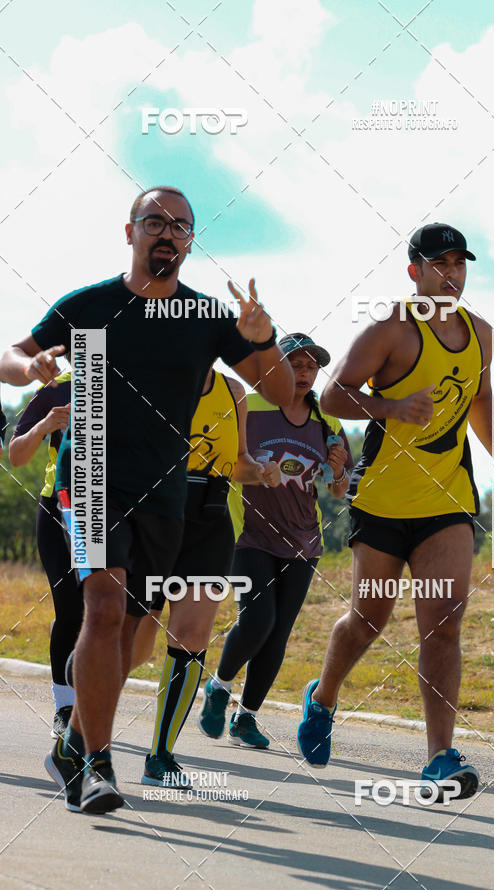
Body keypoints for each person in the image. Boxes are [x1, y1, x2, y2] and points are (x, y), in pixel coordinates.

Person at [0, 185, 294, 814]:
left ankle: (74, 744)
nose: (168, 233)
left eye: (181, 226)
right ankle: (98, 766)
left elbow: (279, 389)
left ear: (191, 241)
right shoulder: (89, 305)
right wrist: (31, 370)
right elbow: (14, 356)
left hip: (165, 493)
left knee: (133, 632)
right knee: (102, 607)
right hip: (93, 474)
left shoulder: (209, 317)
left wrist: (263, 339)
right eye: (155, 221)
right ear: (128, 231)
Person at [297, 223, 493, 800]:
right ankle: (324, 695)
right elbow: (332, 395)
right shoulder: (389, 328)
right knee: (369, 619)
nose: (451, 274)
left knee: (442, 620)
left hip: (448, 499)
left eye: (459, 264)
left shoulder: (481, 333)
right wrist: (391, 405)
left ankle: (439, 757)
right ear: (415, 272)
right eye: (440, 264)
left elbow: (478, 399)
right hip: (381, 500)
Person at [199, 333, 352, 749]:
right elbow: (222, 460)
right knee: (257, 619)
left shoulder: (328, 421)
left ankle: (245, 717)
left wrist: (338, 472)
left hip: (304, 540)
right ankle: (218, 687)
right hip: (247, 534)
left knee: (279, 632)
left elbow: (339, 491)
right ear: (276, 368)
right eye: (295, 365)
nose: (303, 374)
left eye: (311, 366)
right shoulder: (250, 406)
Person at [132, 364, 280, 785]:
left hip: (210, 515)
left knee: (192, 634)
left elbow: (238, 462)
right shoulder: (149, 377)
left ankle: (160, 757)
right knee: (133, 644)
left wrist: (261, 472)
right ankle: (80, 735)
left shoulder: (233, 391)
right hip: (154, 510)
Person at [9, 369, 83, 737]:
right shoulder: (56, 388)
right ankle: (64, 704)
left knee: (103, 615)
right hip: (60, 507)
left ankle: (86, 695)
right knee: (69, 609)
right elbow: (16, 456)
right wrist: (44, 426)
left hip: (115, 511)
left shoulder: (134, 379)